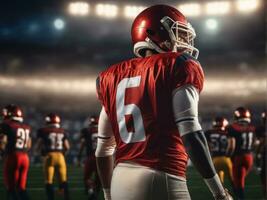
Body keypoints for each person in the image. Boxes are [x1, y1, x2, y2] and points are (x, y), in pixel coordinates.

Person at [95, 4, 232, 200]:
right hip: (161, 175)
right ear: (155, 33)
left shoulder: (109, 77)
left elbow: (103, 149)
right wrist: (219, 193)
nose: (184, 41)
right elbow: (191, 133)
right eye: (178, 33)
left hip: (119, 179)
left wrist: (108, 194)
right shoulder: (178, 65)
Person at [35, 113, 70, 200]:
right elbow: (67, 147)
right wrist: (63, 155)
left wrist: (38, 153)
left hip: (49, 156)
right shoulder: (62, 131)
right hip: (60, 156)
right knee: (63, 181)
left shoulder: (43, 131)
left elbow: (39, 144)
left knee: (49, 181)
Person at [0, 104, 31, 200]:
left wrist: (1, 152)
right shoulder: (26, 127)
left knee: (10, 187)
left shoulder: (7, 125)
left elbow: (3, 141)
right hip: (25, 157)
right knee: (21, 188)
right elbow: (29, 144)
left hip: (13, 156)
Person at [227, 107, 255, 200]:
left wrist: (228, 155)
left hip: (239, 157)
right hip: (249, 157)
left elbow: (232, 145)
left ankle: (240, 197)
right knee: (240, 180)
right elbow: (255, 142)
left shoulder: (232, 128)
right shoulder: (252, 127)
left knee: (238, 183)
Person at [205, 117, 235, 186]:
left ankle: (223, 196)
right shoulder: (228, 132)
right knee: (233, 180)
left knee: (220, 184)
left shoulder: (209, 133)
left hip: (215, 159)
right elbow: (232, 145)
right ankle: (239, 195)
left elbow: (207, 146)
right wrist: (230, 155)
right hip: (226, 158)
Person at [77, 116, 101, 200]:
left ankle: (91, 191)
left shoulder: (86, 131)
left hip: (90, 157)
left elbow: (82, 143)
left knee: (87, 178)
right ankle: (95, 195)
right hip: (102, 158)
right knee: (99, 180)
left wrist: (79, 158)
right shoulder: (104, 130)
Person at [255, 111, 266, 198]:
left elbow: (260, 142)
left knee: (263, 175)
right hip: (263, 153)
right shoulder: (260, 129)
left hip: (264, 153)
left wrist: (257, 153)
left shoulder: (260, 129)